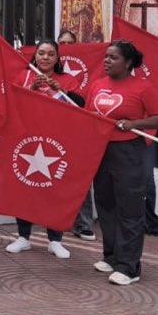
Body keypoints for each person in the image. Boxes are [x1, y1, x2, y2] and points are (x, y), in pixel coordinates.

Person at [86, 39, 158, 286]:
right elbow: (89, 114)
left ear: (128, 62)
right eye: (106, 57)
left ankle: (130, 267)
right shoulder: (97, 85)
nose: (107, 61)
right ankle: (111, 257)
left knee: (130, 209)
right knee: (106, 206)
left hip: (129, 153)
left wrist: (135, 124)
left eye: (114, 57)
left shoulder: (142, 87)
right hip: (101, 152)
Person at [5, 39, 84, 260]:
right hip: (27, 141)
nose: (45, 58)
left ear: (58, 58)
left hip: (57, 142)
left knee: (54, 189)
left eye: (50, 54)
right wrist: (30, 88)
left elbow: (80, 108)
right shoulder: (24, 76)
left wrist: (62, 89)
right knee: (26, 187)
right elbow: (12, 104)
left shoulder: (68, 79)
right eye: (41, 53)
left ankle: (55, 240)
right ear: (35, 56)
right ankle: (23, 237)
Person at [56, 28, 97, 241]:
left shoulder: (85, 69)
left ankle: (84, 223)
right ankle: (57, 220)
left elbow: (82, 101)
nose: (66, 48)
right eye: (61, 43)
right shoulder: (42, 71)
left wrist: (66, 93)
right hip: (52, 132)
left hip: (78, 131)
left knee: (80, 177)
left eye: (70, 43)